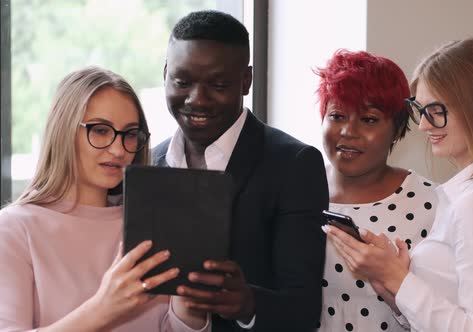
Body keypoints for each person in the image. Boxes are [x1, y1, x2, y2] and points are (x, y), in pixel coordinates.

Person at [323, 38, 473, 332]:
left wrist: (397, 279)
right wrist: (394, 280)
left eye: (436, 111)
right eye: (422, 110)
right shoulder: (472, 196)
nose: (424, 125)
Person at [151, 10, 329, 332]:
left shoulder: (294, 165)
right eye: (182, 81)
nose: (197, 100)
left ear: (246, 81)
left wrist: (248, 303)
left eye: (218, 84)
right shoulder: (148, 164)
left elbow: (304, 310)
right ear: (165, 74)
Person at [0, 67, 211, 331]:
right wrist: (104, 308)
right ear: (63, 130)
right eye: (100, 130)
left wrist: (190, 310)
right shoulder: (14, 228)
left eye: (130, 134)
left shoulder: (152, 223)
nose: (118, 148)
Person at [314, 50, 437, 331]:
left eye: (368, 119)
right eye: (336, 115)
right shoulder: (296, 190)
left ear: (397, 130)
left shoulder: (432, 204)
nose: (348, 131)